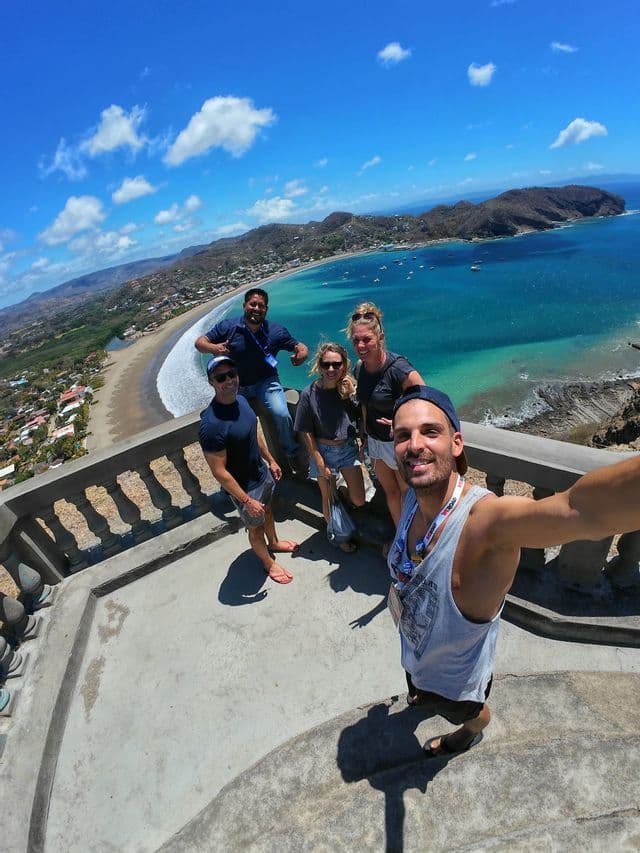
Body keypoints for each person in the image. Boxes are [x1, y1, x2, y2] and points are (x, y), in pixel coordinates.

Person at [389, 385, 640, 757]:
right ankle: (420, 690)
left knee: (466, 712)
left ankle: (471, 732)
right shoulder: (413, 495)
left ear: (456, 444)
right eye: (402, 435)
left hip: (456, 683)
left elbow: (580, 510)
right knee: (418, 687)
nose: (414, 445)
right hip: (416, 654)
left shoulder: (487, 523)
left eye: (430, 431)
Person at [198, 355, 299, 584]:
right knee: (255, 529)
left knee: (269, 512)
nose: (228, 380)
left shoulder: (242, 401)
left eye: (231, 374)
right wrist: (246, 501)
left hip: (262, 474)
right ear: (211, 382)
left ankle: (274, 542)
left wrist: (271, 460)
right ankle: (268, 563)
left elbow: (253, 434)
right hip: (244, 489)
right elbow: (219, 471)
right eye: (220, 377)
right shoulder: (211, 425)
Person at [195, 287, 309, 468]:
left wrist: (303, 352)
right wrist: (214, 349)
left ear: (266, 309)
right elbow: (200, 343)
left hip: (267, 382)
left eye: (261, 306)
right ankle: (254, 463)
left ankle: (291, 451)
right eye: (253, 304)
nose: (256, 308)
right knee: (240, 424)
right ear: (245, 306)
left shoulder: (275, 331)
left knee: (281, 413)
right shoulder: (228, 327)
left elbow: (297, 345)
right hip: (236, 385)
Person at [347, 303, 424, 527]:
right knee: (391, 492)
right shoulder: (360, 368)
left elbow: (427, 401)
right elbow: (365, 404)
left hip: (397, 443)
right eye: (356, 340)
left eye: (367, 339)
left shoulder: (398, 368)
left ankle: (413, 540)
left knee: (407, 494)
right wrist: (364, 436)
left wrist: (401, 422)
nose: (360, 345)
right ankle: (400, 536)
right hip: (375, 442)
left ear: (380, 337)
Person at [294, 342, 365, 553]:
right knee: (328, 498)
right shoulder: (309, 394)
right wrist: (318, 461)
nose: (331, 369)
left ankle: (342, 492)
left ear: (344, 365)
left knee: (359, 499)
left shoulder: (349, 389)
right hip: (323, 451)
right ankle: (340, 537)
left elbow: (361, 418)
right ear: (319, 365)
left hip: (348, 449)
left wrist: (351, 396)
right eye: (326, 364)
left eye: (336, 364)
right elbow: (306, 431)